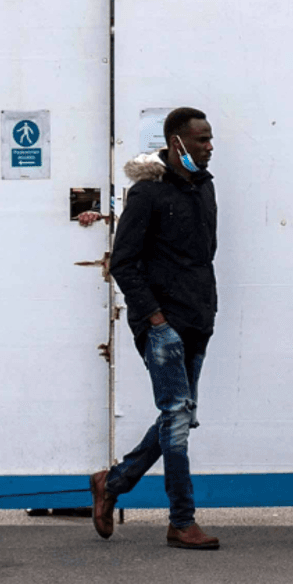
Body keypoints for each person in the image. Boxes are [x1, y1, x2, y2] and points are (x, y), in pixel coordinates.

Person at [91, 107, 221, 550]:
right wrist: (155, 318)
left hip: (198, 319)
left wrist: (206, 309)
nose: (209, 146)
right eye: (201, 139)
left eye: (209, 138)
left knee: (180, 415)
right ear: (176, 143)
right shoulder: (146, 194)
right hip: (162, 326)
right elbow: (123, 263)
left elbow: (205, 255)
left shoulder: (205, 189)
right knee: (178, 418)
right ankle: (181, 521)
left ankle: (113, 482)